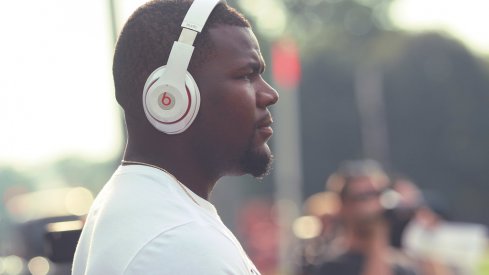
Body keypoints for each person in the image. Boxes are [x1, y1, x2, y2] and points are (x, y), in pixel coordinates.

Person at [72, 0, 279, 274]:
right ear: (171, 97)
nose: (270, 94)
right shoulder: (179, 242)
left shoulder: (147, 211)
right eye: (246, 75)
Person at [315, 160, 418, 275]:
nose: (373, 203)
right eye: (363, 196)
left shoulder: (403, 266)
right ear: (343, 205)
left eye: (378, 193)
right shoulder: (330, 267)